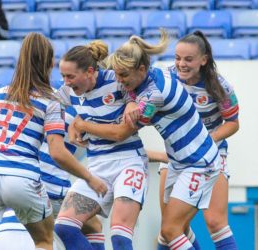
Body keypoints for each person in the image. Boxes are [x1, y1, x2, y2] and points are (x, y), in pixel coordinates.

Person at [71, 30, 223, 250]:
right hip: (179, 162)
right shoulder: (151, 75)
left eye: (123, 76)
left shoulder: (153, 96)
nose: (120, 82)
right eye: (117, 74)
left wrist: (81, 123)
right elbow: (130, 96)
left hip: (199, 163)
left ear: (141, 69)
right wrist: (130, 101)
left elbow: (120, 134)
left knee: (172, 231)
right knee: (171, 231)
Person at [0, 33, 107, 250]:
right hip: (23, 178)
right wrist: (90, 178)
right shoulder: (51, 102)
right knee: (44, 240)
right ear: (49, 64)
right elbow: (57, 152)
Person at [54, 40, 149, 250]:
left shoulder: (116, 80)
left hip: (129, 163)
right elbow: (40, 103)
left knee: (119, 236)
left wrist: (132, 102)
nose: (66, 82)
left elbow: (120, 132)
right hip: (97, 166)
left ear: (89, 71)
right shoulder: (67, 91)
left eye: (70, 76)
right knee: (64, 226)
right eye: (63, 76)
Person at [156, 30, 239, 250]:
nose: (181, 64)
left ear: (203, 60)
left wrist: (205, 140)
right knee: (170, 228)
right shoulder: (166, 79)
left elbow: (233, 123)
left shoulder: (220, 87)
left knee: (215, 222)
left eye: (188, 59)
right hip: (176, 156)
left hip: (210, 157)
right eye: (177, 58)